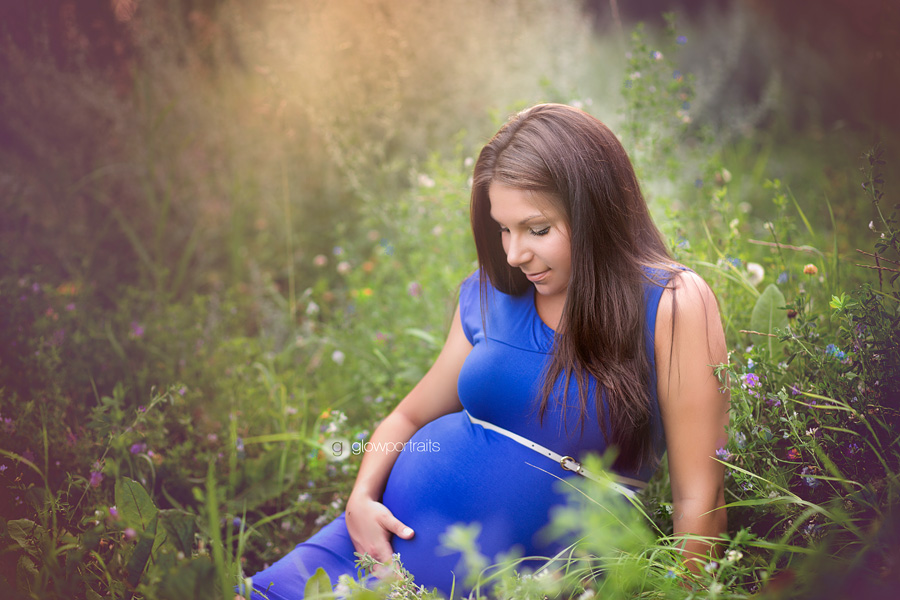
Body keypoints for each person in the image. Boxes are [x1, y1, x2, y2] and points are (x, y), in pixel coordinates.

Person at [246, 103, 729, 599]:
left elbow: (700, 495)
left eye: (537, 229)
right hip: (370, 546)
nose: (515, 254)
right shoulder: (491, 293)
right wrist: (361, 499)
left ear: (595, 213)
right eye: (503, 228)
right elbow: (407, 419)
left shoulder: (671, 304)